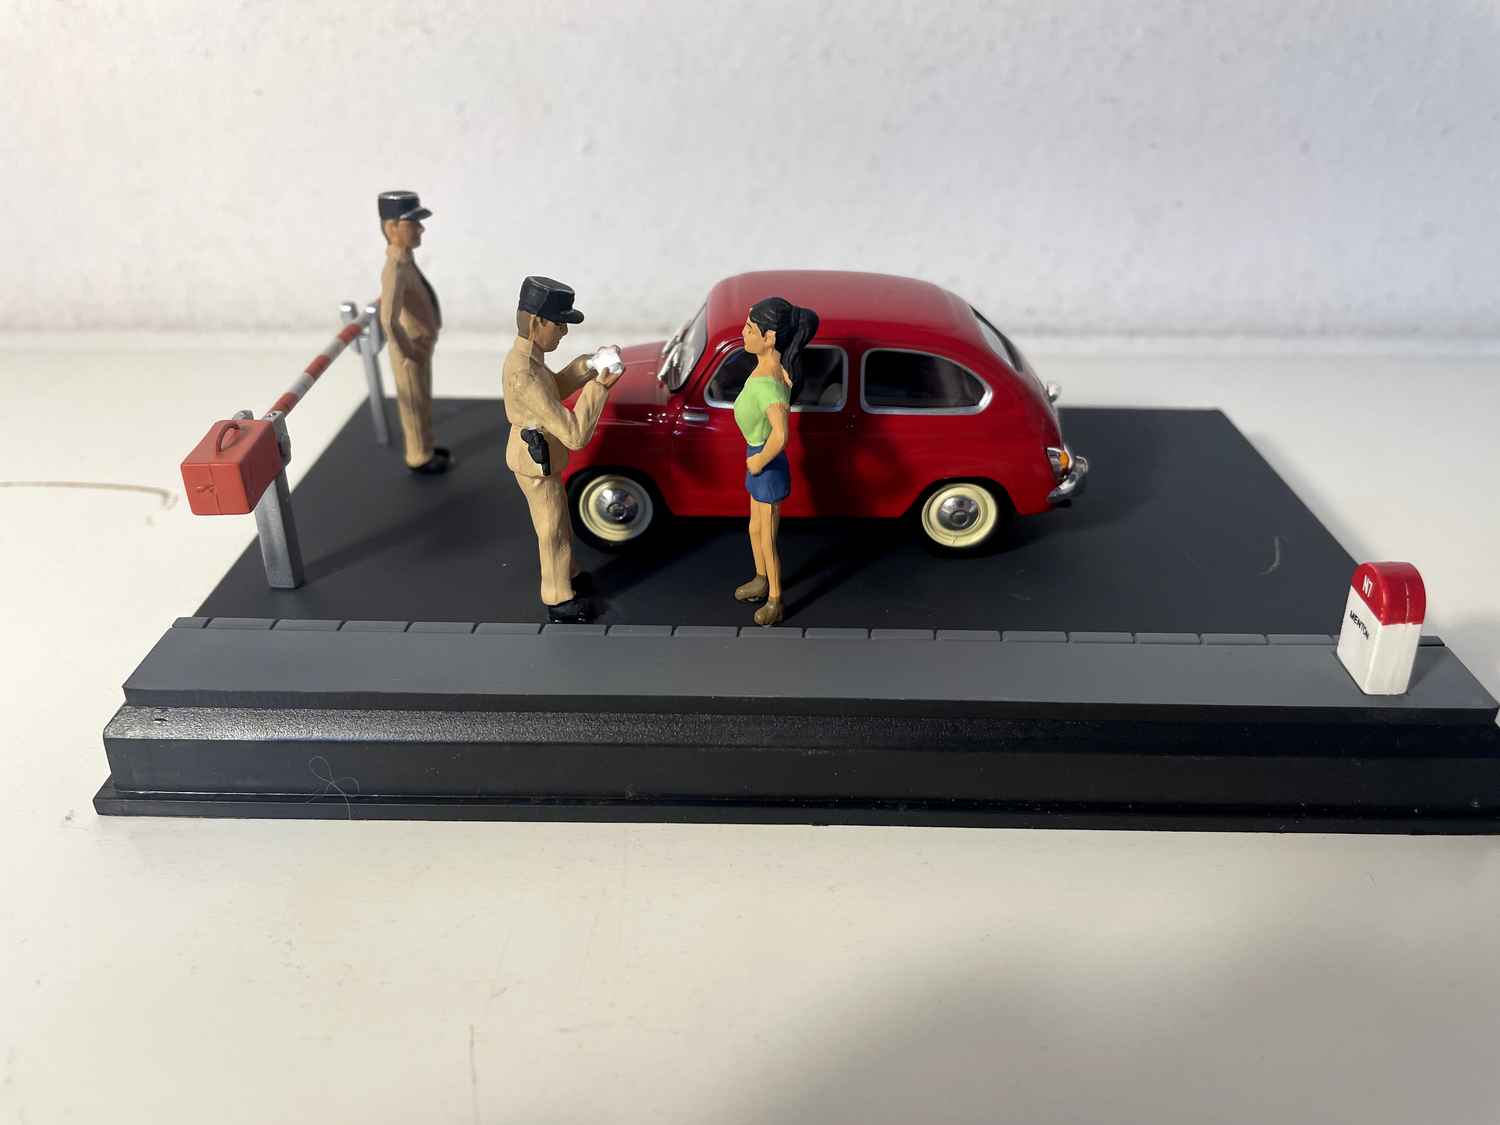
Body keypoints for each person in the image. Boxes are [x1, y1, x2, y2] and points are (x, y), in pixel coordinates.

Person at [502, 276, 624, 624]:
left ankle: (569, 574)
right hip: (535, 463)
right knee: (552, 529)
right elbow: (574, 434)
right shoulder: (525, 374)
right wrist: (599, 389)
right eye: (559, 324)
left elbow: (553, 388)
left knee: (559, 522)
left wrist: (587, 366)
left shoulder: (529, 361)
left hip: (540, 457)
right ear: (537, 322)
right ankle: (558, 597)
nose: (564, 332)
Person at [732, 296, 820, 626]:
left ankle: (775, 599)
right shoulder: (766, 370)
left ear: (769, 337)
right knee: (754, 528)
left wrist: (759, 462)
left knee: (768, 538)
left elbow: (781, 436)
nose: (743, 333)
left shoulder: (770, 387)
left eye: (749, 328)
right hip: (755, 456)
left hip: (766, 465)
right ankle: (760, 579)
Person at [377, 190, 450, 474]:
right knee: (413, 406)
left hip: (420, 345)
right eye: (413, 223)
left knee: (422, 401)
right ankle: (418, 456)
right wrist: (409, 352)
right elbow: (388, 319)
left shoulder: (406, 260)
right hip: (411, 349)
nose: (421, 229)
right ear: (391, 227)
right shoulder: (395, 268)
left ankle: (426, 446)